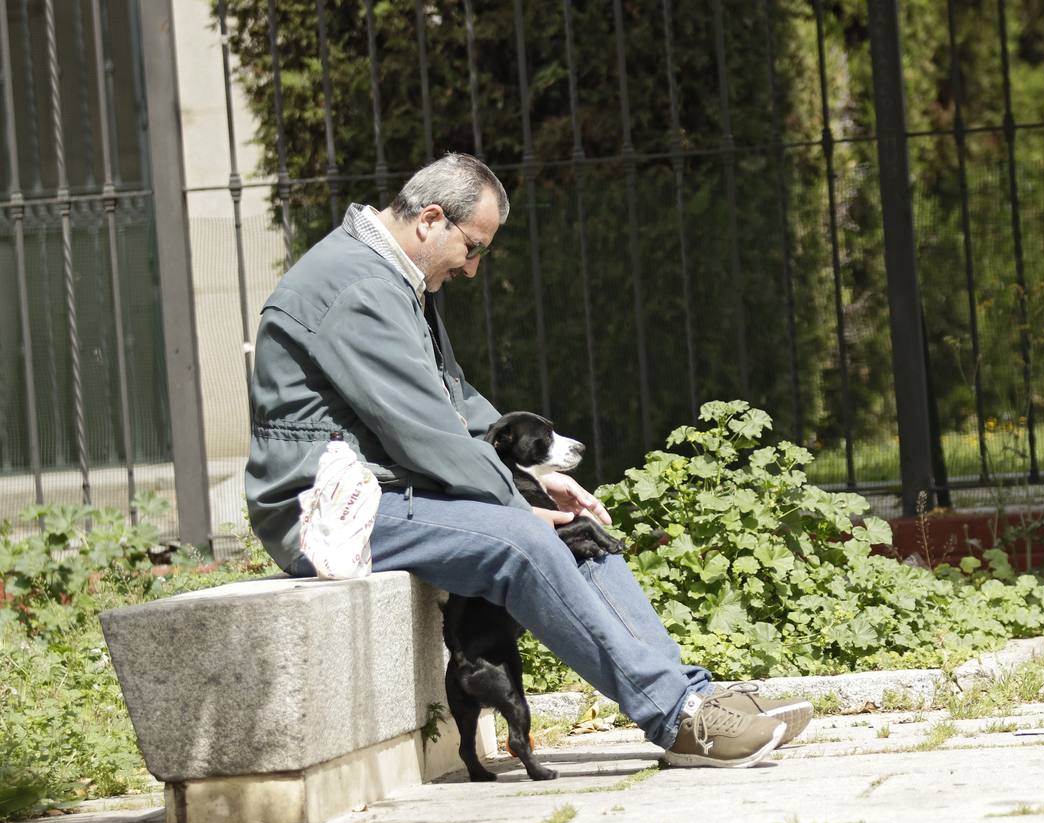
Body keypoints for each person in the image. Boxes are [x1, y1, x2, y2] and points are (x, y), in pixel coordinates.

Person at [245, 152, 812, 768]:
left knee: (581, 534)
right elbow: (426, 432)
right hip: (327, 511)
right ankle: (678, 719)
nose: (473, 267)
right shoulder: (358, 286)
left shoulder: (390, 274)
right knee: (523, 541)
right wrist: (519, 503)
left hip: (384, 492)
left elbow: (454, 399)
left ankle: (692, 697)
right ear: (431, 219)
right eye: (472, 248)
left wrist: (540, 479)